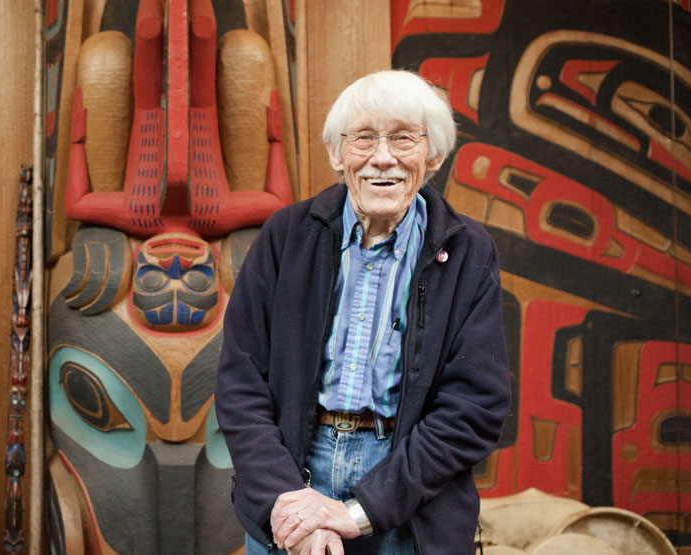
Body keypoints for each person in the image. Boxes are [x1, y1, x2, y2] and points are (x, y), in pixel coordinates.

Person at [215, 69, 511, 555]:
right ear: (336, 153)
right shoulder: (285, 236)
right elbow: (240, 382)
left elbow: (474, 408)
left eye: (402, 139)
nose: (382, 158)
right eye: (364, 138)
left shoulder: (468, 253)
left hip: (409, 486)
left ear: (432, 155)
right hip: (292, 467)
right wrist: (288, 502)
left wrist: (360, 510)